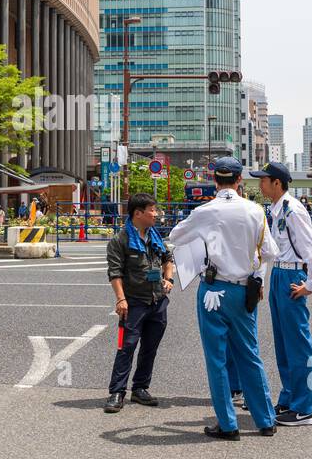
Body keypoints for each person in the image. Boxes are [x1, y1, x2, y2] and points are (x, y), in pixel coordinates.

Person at [167, 157, 280, 440]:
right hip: (245, 290)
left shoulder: (205, 210)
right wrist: (256, 275)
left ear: (215, 180)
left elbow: (175, 236)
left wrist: (206, 242)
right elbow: (270, 252)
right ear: (240, 180)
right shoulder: (255, 211)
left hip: (213, 290)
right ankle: (266, 420)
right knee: (249, 354)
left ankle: (228, 425)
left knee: (216, 358)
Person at [251, 161, 312, 426]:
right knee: (283, 342)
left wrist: (311, 285)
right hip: (280, 273)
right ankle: (290, 398)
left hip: (293, 274)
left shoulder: (293, 210)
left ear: (277, 183)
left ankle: (304, 408)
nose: (260, 184)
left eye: (264, 180)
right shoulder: (276, 209)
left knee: (298, 343)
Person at [104, 194, 175, 413]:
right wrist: (121, 299)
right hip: (133, 303)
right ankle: (117, 392)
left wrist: (169, 279)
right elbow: (114, 273)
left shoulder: (155, 237)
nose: (156, 214)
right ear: (138, 213)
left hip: (157, 301)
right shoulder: (120, 240)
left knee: (149, 348)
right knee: (126, 348)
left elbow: (168, 260)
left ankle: (140, 388)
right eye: (152, 210)